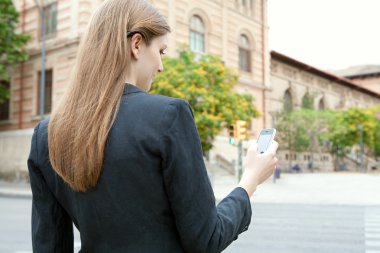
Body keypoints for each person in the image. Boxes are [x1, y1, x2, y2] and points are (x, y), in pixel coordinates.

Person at [27, 0, 279, 252]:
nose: (160, 66)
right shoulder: (169, 117)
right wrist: (250, 179)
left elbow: (49, 246)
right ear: (136, 44)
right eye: (161, 51)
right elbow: (207, 238)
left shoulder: (46, 135)